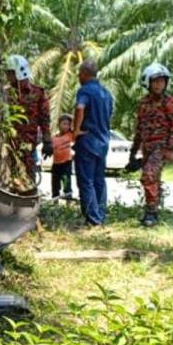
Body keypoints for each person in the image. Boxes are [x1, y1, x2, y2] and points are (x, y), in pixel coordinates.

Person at [129, 63, 173, 227]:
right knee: (151, 179)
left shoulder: (170, 102)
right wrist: (132, 154)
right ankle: (154, 209)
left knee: (149, 176)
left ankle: (151, 213)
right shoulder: (143, 103)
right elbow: (139, 129)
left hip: (161, 147)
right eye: (155, 81)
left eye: (162, 81)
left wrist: (171, 148)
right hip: (147, 148)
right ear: (148, 82)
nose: (159, 84)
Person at [73, 60, 113, 226]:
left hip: (88, 141)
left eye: (79, 74)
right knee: (99, 180)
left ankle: (93, 218)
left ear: (84, 74)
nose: (78, 77)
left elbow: (80, 107)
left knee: (86, 181)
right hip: (103, 141)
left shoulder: (85, 90)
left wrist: (76, 130)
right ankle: (100, 215)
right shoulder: (106, 93)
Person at [5, 55, 53, 183]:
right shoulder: (5, 93)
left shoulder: (38, 93)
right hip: (8, 144)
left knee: (28, 176)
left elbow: (45, 118)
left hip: (28, 144)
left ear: (18, 72)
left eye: (10, 74)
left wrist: (47, 141)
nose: (7, 77)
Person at [51, 114, 74, 199]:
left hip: (66, 163)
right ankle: (55, 202)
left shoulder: (70, 135)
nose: (66, 126)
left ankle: (68, 202)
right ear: (58, 124)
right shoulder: (54, 137)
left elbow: (76, 123)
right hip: (56, 164)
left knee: (66, 183)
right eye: (64, 124)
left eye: (68, 124)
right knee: (55, 184)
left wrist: (70, 118)